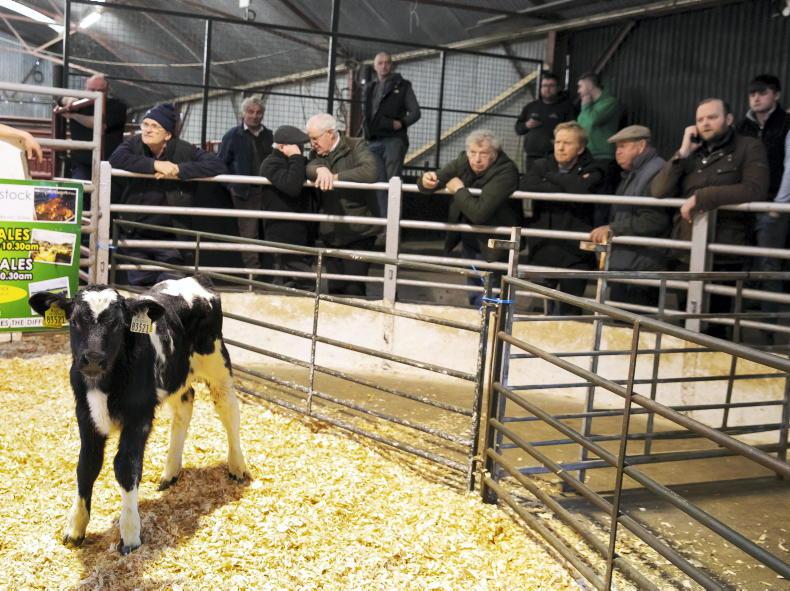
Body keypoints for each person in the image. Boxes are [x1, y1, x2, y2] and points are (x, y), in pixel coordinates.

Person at [651, 98, 769, 335]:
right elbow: (658, 190)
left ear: (728, 119)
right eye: (699, 119)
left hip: (725, 254)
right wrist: (682, 152)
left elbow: (755, 189)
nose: (705, 123)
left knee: (718, 329)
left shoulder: (749, 147)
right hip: (686, 252)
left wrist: (703, 197)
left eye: (712, 117)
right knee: (686, 325)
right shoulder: (691, 154)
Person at [109, 103, 227, 286]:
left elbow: (216, 165)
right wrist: (154, 165)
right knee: (139, 291)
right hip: (136, 232)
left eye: (155, 126)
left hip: (171, 236)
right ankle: (141, 316)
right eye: (145, 124)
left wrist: (179, 170)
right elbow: (116, 159)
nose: (147, 130)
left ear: (168, 135)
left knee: (171, 291)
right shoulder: (134, 143)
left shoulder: (183, 150)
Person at [417, 129, 520, 306]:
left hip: (495, 240)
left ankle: (493, 326)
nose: (477, 159)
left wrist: (458, 189)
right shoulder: (463, 160)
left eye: (484, 153)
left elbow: (479, 213)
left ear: (494, 154)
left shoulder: (507, 171)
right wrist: (426, 181)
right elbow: (436, 179)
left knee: (493, 290)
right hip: (470, 236)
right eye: (473, 153)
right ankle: (479, 319)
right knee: (474, 286)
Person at [520, 121, 606, 315]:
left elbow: (580, 190)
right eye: (558, 141)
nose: (560, 147)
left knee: (570, 313)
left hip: (575, 254)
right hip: (543, 249)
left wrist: (550, 177)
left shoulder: (595, 167)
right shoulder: (541, 163)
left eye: (567, 143)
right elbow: (527, 186)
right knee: (539, 311)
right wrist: (567, 184)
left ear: (581, 148)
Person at [589, 125, 668, 307]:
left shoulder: (654, 171)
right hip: (631, 260)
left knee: (634, 321)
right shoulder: (637, 173)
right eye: (617, 148)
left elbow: (654, 219)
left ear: (641, 146)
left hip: (641, 263)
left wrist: (614, 228)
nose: (618, 152)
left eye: (623, 146)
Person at [736, 74, 790, 331]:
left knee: (769, 264)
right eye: (752, 93)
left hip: (772, 206)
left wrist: (779, 204)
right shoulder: (742, 126)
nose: (756, 97)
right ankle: (740, 326)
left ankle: (769, 330)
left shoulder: (786, 122)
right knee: (745, 262)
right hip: (745, 204)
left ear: (776, 95)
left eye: (763, 92)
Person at [305, 113, 379, 296]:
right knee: (335, 289)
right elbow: (309, 167)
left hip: (359, 231)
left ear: (330, 133)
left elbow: (371, 171)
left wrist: (335, 178)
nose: (312, 143)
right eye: (310, 139)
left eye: (315, 138)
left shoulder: (356, 145)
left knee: (354, 288)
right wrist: (320, 169)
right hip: (331, 231)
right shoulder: (317, 152)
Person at [360, 51, 421, 216]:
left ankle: (393, 230)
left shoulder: (403, 86)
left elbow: (415, 112)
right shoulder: (370, 88)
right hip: (373, 141)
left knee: (393, 183)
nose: (384, 66)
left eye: (387, 62)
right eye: (380, 63)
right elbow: (367, 115)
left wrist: (401, 123)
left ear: (392, 65)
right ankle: (384, 226)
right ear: (374, 66)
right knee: (379, 183)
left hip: (393, 140)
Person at [218, 96, 274, 270]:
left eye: (259, 112)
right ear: (243, 114)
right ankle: (253, 276)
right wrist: (232, 187)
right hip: (245, 193)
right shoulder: (232, 136)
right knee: (249, 235)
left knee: (271, 231)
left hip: (269, 193)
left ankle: (272, 273)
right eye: (251, 112)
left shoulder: (270, 136)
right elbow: (220, 164)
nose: (255, 116)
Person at [259, 125, 314, 288]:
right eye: (298, 147)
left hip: (296, 226)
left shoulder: (290, 162)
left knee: (295, 267)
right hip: (282, 228)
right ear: (283, 146)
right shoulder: (271, 164)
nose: (302, 150)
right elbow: (292, 186)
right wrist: (296, 157)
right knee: (299, 272)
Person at [55, 75, 127, 182]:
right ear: (85, 89)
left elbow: (98, 123)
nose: (96, 94)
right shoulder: (78, 104)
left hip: (109, 162)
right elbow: (59, 99)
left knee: (109, 194)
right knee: (81, 190)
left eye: (100, 90)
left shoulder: (117, 106)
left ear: (107, 91)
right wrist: (69, 99)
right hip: (82, 163)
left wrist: (73, 116)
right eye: (92, 90)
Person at [515, 72, 575, 172]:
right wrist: (527, 125)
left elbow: (573, 131)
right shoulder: (531, 107)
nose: (547, 89)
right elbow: (518, 129)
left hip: (555, 157)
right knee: (531, 185)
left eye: (551, 86)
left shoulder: (566, 108)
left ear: (558, 88)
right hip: (532, 157)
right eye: (544, 86)